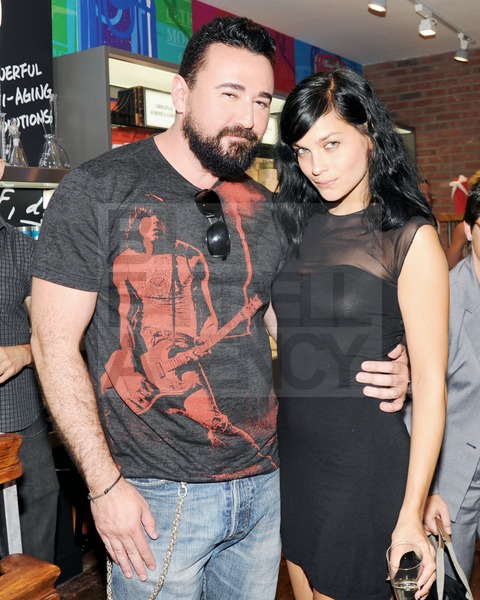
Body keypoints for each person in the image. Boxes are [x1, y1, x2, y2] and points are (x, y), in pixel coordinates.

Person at [30, 18, 409, 600]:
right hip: (155, 497)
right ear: (181, 95)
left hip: (265, 486)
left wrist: (389, 366)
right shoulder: (96, 189)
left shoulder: (267, 208)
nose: (249, 119)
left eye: (260, 101)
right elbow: (52, 344)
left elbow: (301, 327)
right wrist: (104, 487)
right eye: (230, 94)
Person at [270, 69, 448, 600]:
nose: (316, 166)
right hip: (296, 460)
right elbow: (283, 325)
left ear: (369, 133)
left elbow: (432, 386)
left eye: (331, 144)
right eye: (302, 150)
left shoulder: (409, 238)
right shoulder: (293, 225)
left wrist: (413, 510)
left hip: (364, 466)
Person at [0, 157, 59, 563]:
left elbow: (55, 336)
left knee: (32, 552)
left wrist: (21, 354)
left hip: (19, 420)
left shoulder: (21, 248)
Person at [424, 180, 480, 582]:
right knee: (450, 585)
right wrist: (427, 490)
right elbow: (416, 402)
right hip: (457, 480)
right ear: (470, 231)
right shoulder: (443, 299)